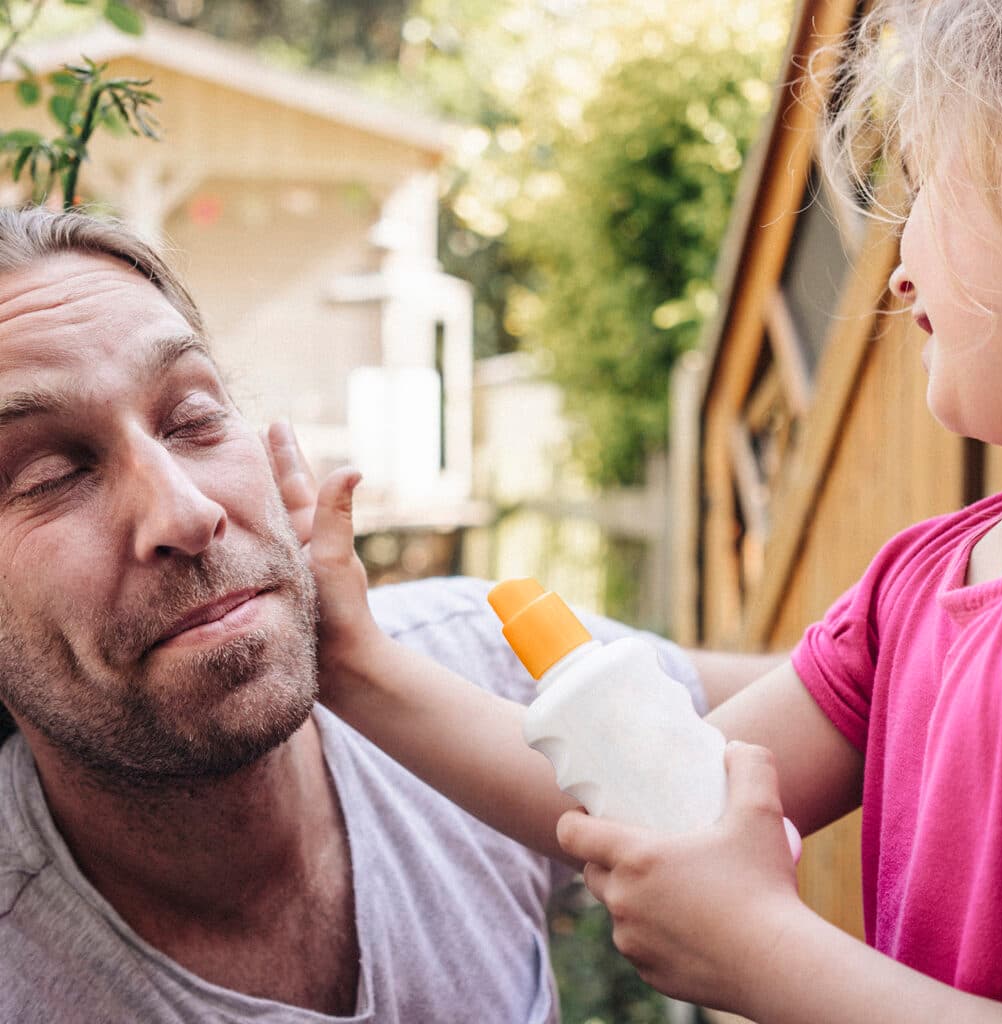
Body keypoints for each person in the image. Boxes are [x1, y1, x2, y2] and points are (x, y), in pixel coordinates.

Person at [300, 0, 1002, 1019]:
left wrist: (766, 957)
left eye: (925, 192)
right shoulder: (914, 585)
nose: (898, 270)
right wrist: (353, 662)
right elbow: (649, 785)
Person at [0, 205, 787, 1022]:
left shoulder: (465, 667)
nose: (187, 512)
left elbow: (866, 701)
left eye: (194, 418)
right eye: (50, 475)